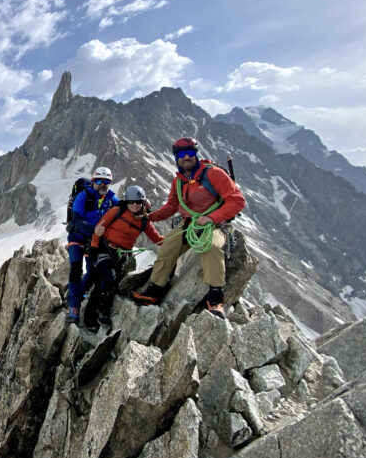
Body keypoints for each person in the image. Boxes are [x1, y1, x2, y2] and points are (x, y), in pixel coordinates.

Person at [131, 137, 245, 318]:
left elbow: (238, 200)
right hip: (188, 225)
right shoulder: (179, 182)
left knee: (212, 248)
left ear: (196, 154)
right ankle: (154, 290)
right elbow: (171, 207)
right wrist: (149, 217)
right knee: (167, 248)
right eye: (181, 155)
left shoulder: (214, 174)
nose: (186, 157)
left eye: (190, 153)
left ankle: (215, 297)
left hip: (215, 225)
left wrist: (211, 218)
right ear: (176, 158)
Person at [83, 185, 163, 331]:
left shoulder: (144, 221)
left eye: (138, 202)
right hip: (105, 249)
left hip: (121, 256)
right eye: (131, 202)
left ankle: (96, 313)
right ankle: (96, 313)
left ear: (142, 202)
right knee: (108, 278)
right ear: (126, 201)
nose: (134, 205)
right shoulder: (116, 211)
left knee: (109, 283)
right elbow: (99, 228)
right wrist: (94, 247)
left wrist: (178, 239)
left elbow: (157, 239)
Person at [66, 167, 119, 324]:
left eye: (106, 182)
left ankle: (75, 294)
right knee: (76, 268)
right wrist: (93, 229)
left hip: (93, 241)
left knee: (93, 272)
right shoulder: (84, 196)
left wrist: (142, 204)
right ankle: (74, 307)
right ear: (94, 181)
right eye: (99, 181)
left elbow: (124, 208)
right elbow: (76, 220)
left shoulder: (111, 199)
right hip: (77, 236)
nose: (102, 185)